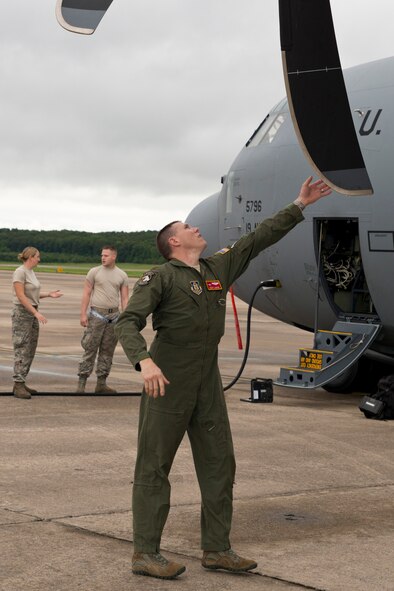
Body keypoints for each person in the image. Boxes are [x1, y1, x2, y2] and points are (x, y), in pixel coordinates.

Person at [115, 176, 332, 580]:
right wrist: (144, 362)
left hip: (207, 381)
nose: (196, 229)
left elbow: (259, 238)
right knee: (154, 465)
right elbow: (126, 321)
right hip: (168, 377)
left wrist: (300, 204)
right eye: (187, 228)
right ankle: (145, 553)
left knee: (219, 464)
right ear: (174, 243)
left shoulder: (217, 267)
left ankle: (216, 548)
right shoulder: (160, 277)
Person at [12, 247, 63, 399]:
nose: (39, 259)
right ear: (30, 257)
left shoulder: (31, 272)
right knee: (22, 347)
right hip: (22, 313)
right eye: (37, 257)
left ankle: (21, 380)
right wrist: (35, 313)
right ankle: (18, 384)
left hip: (31, 311)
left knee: (30, 348)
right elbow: (21, 296)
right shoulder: (20, 272)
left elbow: (32, 294)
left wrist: (48, 294)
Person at [77, 245, 129, 393]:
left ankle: (101, 383)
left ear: (114, 256)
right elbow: (86, 293)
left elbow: (125, 298)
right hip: (96, 315)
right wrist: (83, 314)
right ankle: (81, 383)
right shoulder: (94, 272)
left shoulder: (122, 275)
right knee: (90, 349)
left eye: (106, 255)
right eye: (102, 255)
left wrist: (126, 317)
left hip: (114, 317)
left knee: (108, 351)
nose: (103, 258)